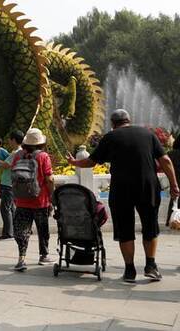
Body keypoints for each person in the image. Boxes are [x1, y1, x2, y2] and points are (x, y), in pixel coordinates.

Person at [68, 109, 179, 282]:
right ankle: (150, 266)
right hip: (147, 186)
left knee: (125, 229)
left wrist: (74, 162)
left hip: (122, 188)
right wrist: (174, 185)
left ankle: (129, 270)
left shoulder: (110, 138)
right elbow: (165, 161)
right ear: (129, 120)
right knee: (150, 225)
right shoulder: (147, 134)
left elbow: (91, 162)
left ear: (113, 124)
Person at [11, 128, 55, 271]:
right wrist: (52, 196)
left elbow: (14, 175)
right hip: (40, 200)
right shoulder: (43, 156)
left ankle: (21, 258)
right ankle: (44, 255)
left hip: (22, 200)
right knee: (42, 229)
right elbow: (49, 179)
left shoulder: (18, 155)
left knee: (22, 230)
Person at [0, 130, 24, 240]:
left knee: (5, 208)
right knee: (11, 208)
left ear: (14, 140)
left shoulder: (15, 153)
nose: (9, 142)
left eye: (10, 139)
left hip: (8, 183)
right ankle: (15, 230)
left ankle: (8, 233)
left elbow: (5, 165)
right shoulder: (19, 151)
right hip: (11, 183)